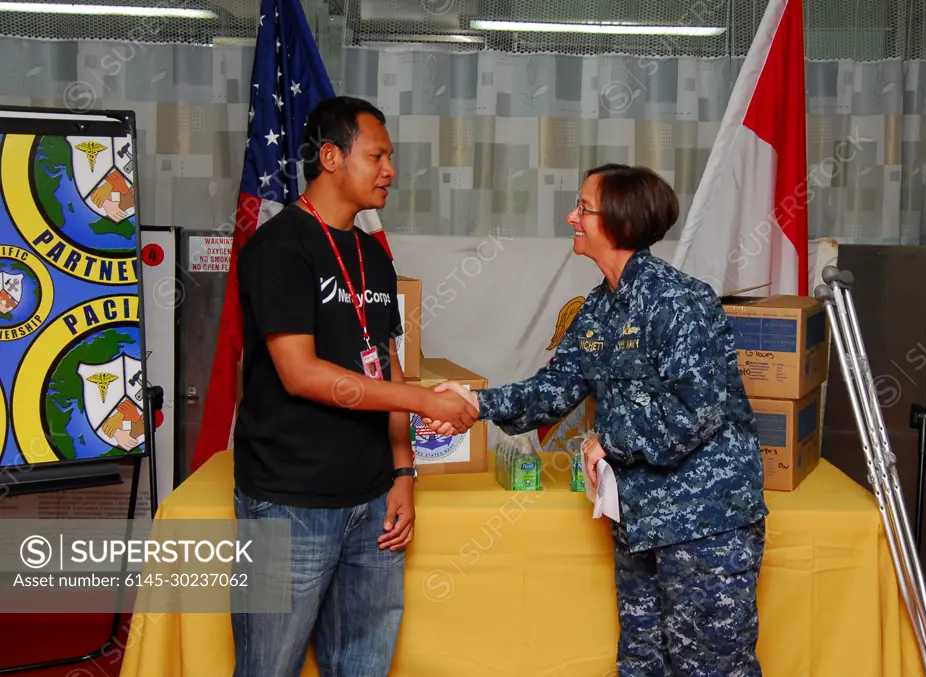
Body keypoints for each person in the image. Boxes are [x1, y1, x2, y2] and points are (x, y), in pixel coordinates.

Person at [431, 163, 769, 676]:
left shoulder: (679, 301)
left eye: (583, 208)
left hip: (704, 527)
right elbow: (556, 386)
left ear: (619, 221)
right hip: (639, 522)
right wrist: (476, 405)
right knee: (640, 665)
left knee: (710, 668)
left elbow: (695, 412)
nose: (572, 217)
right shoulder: (599, 308)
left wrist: (606, 440)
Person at [230, 95, 477, 677]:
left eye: (390, 157)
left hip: (373, 504)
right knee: (269, 666)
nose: (390, 170)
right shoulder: (279, 248)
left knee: (362, 665)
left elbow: (387, 364)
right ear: (333, 158)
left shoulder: (372, 254)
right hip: (290, 502)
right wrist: (425, 401)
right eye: (378, 156)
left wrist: (403, 472)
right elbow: (302, 373)